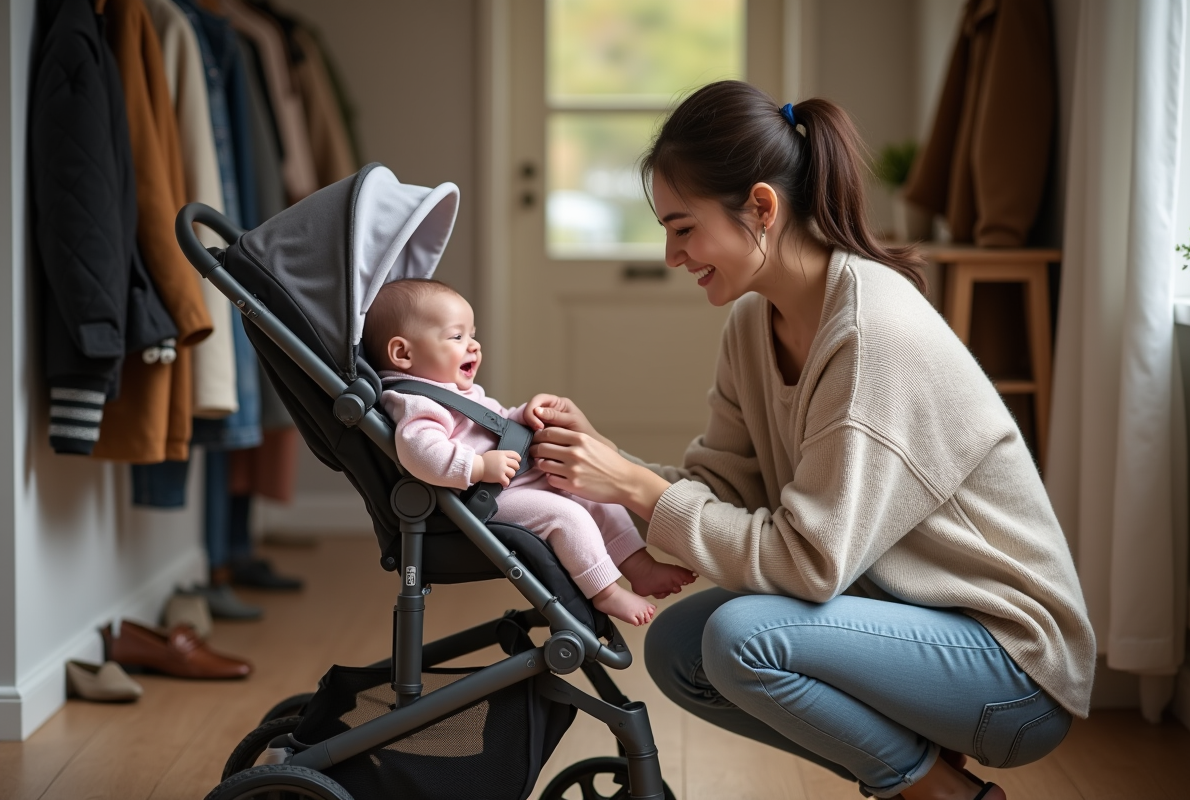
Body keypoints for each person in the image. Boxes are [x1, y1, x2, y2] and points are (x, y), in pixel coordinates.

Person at [526, 81, 1095, 800]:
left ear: (761, 208)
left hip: (1011, 667)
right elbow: (724, 495)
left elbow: (811, 562)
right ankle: (924, 775)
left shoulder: (869, 334)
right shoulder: (751, 325)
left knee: (741, 640)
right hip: (906, 624)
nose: (673, 255)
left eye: (683, 227)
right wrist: (599, 464)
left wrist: (634, 485)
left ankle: (937, 794)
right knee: (679, 649)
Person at [364, 278, 696, 625]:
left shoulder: (453, 391)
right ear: (403, 353)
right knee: (566, 516)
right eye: (457, 336)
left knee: (593, 495)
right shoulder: (415, 402)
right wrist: (476, 466)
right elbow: (419, 451)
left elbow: (489, 423)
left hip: (513, 482)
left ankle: (638, 565)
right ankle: (606, 592)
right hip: (483, 500)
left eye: (473, 335)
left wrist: (522, 415)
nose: (474, 346)